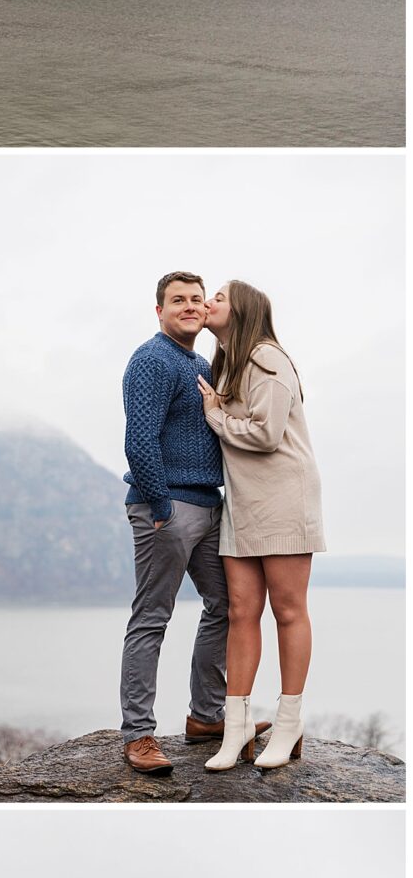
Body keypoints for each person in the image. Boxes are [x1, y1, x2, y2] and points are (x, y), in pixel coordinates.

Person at [198, 280, 325, 772]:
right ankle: (236, 730)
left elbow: (268, 435)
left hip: (284, 499)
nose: (209, 303)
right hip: (243, 503)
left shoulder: (268, 359)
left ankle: (289, 722)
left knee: (289, 611)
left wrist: (215, 417)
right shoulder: (227, 362)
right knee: (240, 612)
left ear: (243, 310)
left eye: (219, 298)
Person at [117, 270, 236, 777]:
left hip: (209, 506)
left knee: (227, 605)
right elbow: (138, 440)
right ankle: (139, 735)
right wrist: (161, 508)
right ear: (159, 310)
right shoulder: (151, 360)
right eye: (178, 300)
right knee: (152, 618)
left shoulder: (200, 362)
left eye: (196, 299)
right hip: (165, 509)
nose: (189, 306)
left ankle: (206, 717)